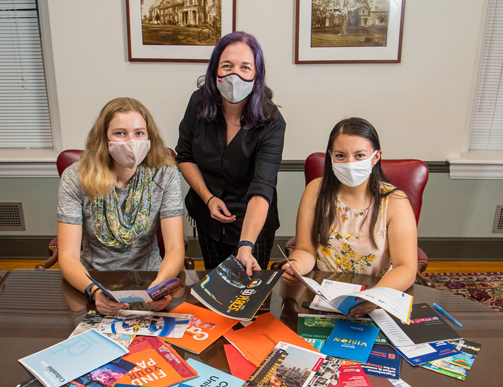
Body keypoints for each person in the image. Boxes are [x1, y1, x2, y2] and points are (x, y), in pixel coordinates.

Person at [57, 97, 185, 315]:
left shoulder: (165, 174)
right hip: (93, 279)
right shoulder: (75, 177)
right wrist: (95, 291)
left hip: (150, 277)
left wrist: (160, 286)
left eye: (139, 133)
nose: (131, 141)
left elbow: (174, 247)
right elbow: (68, 256)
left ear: (149, 136)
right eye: (120, 133)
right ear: (104, 138)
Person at [282, 117, 418, 316]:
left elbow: (405, 267)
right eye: (340, 156)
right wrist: (296, 266)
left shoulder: (395, 201)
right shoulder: (315, 191)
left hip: (374, 297)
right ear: (330, 156)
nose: (350, 163)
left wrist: (374, 297)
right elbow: (305, 249)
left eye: (359, 155)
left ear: (376, 156)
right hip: (321, 299)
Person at [176, 31, 285, 275]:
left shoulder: (272, 122)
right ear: (215, 70)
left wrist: (246, 245)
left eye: (245, 67)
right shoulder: (198, 103)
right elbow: (184, 156)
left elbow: (262, 187)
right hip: (209, 217)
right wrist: (209, 198)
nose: (235, 74)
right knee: (215, 288)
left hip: (252, 224)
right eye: (227, 66)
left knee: (248, 294)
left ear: (256, 75)